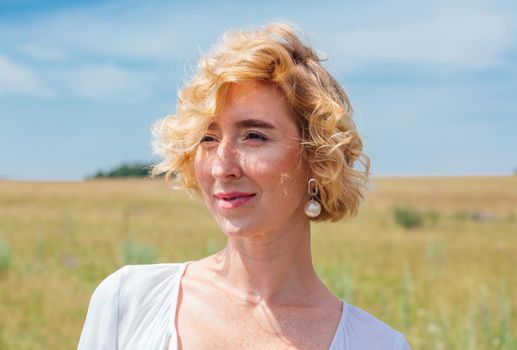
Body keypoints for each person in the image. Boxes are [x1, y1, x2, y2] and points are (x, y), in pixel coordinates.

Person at [78, 22, 411, 350]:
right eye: (208, 138)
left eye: (254, 136)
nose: (222, 166)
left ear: (318, 157)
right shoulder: (129, 302)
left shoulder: (377, 344)